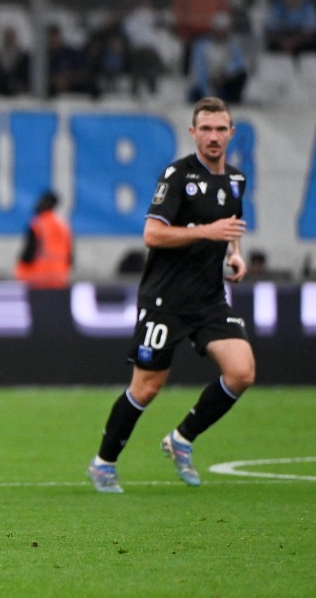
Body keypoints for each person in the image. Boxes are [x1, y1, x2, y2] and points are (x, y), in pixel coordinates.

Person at [87, 97, 254, 494]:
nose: (213, 137)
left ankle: (181, 439)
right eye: (206, 129)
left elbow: (228, 229)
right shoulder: (177, 176)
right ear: (193, 133)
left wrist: (235, 256)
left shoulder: (235, 180)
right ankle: (103, 463)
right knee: (146, 387)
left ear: (231, 133)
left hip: (210, 298)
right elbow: (152, 233)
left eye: (221, 129)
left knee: (242, 372)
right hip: (165, 300)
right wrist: (205, 232)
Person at [14, 190, 72, 289]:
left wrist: (20, 271)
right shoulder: (63, 226)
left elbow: (28, 253)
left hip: (37, 281)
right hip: (59, 281)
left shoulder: (37, 225)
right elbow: (70, 257)